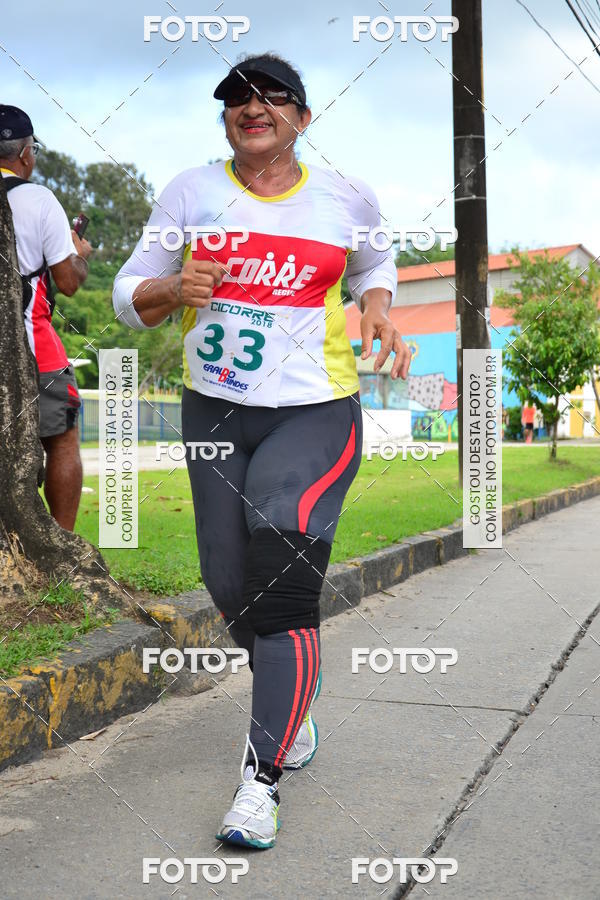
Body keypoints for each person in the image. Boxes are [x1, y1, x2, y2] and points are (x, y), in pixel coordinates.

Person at [113, 53, 411, 850]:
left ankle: (260, 780)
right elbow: (127, 293)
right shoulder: (190, 193)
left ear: (302, 118)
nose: (254, 108)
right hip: (214, 412)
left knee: (280, 580)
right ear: (225, 120)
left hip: (314, 413)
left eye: (273, 97)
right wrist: (171, 288)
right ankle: (292, 689)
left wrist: (378, 307)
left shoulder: (344, 196)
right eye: (237, 99)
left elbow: (377, 259)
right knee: (229, 584)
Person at [0, 105, 92, 530]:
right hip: (32, 346)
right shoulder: (38, 199)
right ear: (26, 154)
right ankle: (62, 541)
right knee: (62, 440)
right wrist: (79, 254)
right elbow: (68, 282)